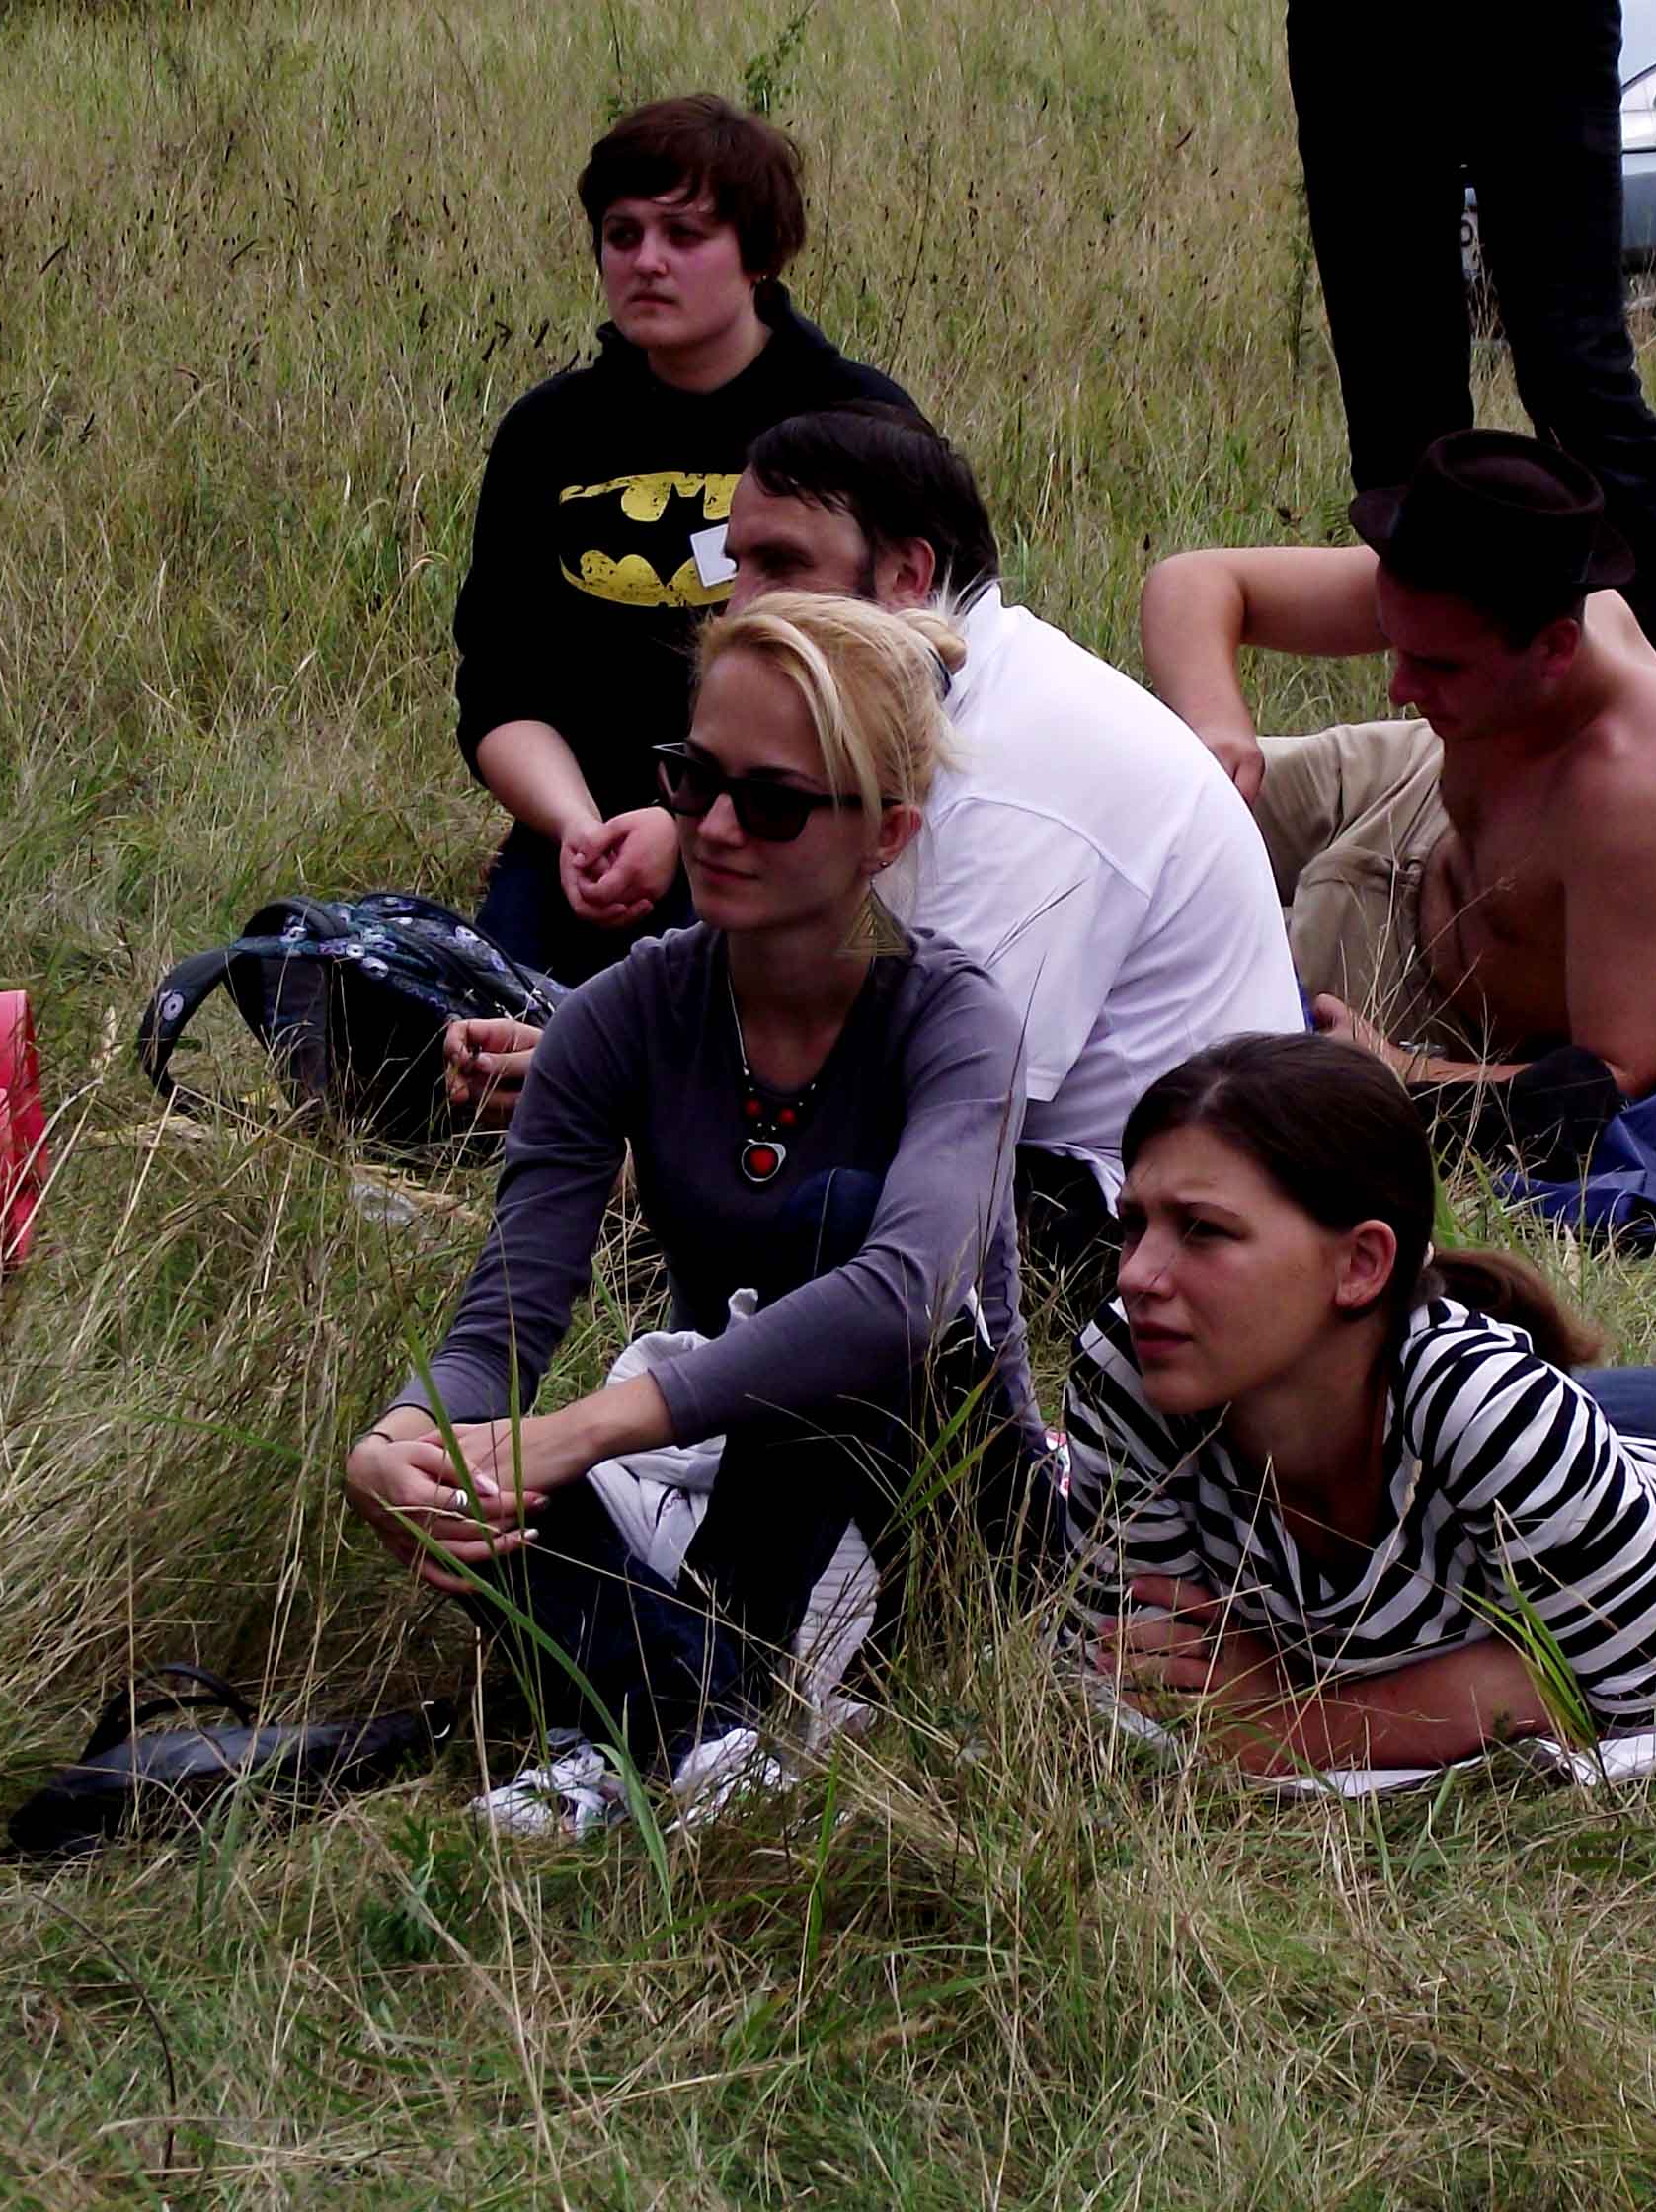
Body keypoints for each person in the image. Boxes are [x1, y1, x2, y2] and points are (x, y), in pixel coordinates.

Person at [349, 592, 1039, 1833]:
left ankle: (655, 1717)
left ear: (886, 834)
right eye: (693, 778)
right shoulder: (618, 1016)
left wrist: (585, 1429)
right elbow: (504, 1322)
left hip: (944, 1509)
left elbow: (902, 1298)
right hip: (732, 1486)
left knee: (835, 1226)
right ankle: (705, 1728)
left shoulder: (955, 1017)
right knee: (481, 1473)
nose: (714, 827)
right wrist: (402, 1442)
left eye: (772, 802)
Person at [447, 405, 1305, 1278]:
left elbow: (922, 1099)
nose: (740, 606)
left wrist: (613, 1122)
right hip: (1033, 1155)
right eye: (735, 566)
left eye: (782, 566)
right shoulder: (931, 705)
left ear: (906, 575)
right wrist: (592, 1058)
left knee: (831, 1213)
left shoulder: (1014, 773)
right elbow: (811, 988)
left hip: (1137, 1217)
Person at [1064, 1032, 1656, 1777]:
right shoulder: (1134, 1362)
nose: (1138, 1275)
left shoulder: (1485, 1408)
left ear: (1361, 1265)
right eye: (1135, 1223)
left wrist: (1303, 1722)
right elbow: (1145, 1663)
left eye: (1204, 1231)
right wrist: (1491, 1683)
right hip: (1583, 1444)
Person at [451, 95, 914, 985]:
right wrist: (579, 828)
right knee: (494, 1039)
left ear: (759, 253)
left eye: (685, 234)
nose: (647, 262)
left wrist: (689, 824)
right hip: (585, 842)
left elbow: (914, 680)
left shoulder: (857, 425)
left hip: (795, 835)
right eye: (621, 236)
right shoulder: (545, 436)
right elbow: (499, 689)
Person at [1141, 429, 1656, 1103]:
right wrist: (1217, 724)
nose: (1400, 688)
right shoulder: (1479, 594)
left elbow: (1624, 1072)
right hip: (1410, 788)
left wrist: (1401, 1068)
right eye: (1395, 643)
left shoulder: (1630, 791)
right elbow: (1193, 582)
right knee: (1154, 801)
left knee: (1168, 1003)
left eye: (1439, 667)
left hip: (1422, 992)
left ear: (1555, 651)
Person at [1284, 2, 1656, 747]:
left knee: (1580, 383)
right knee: (1398, 417)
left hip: (1537, 23)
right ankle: (1466, 738)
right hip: (1361, 32)